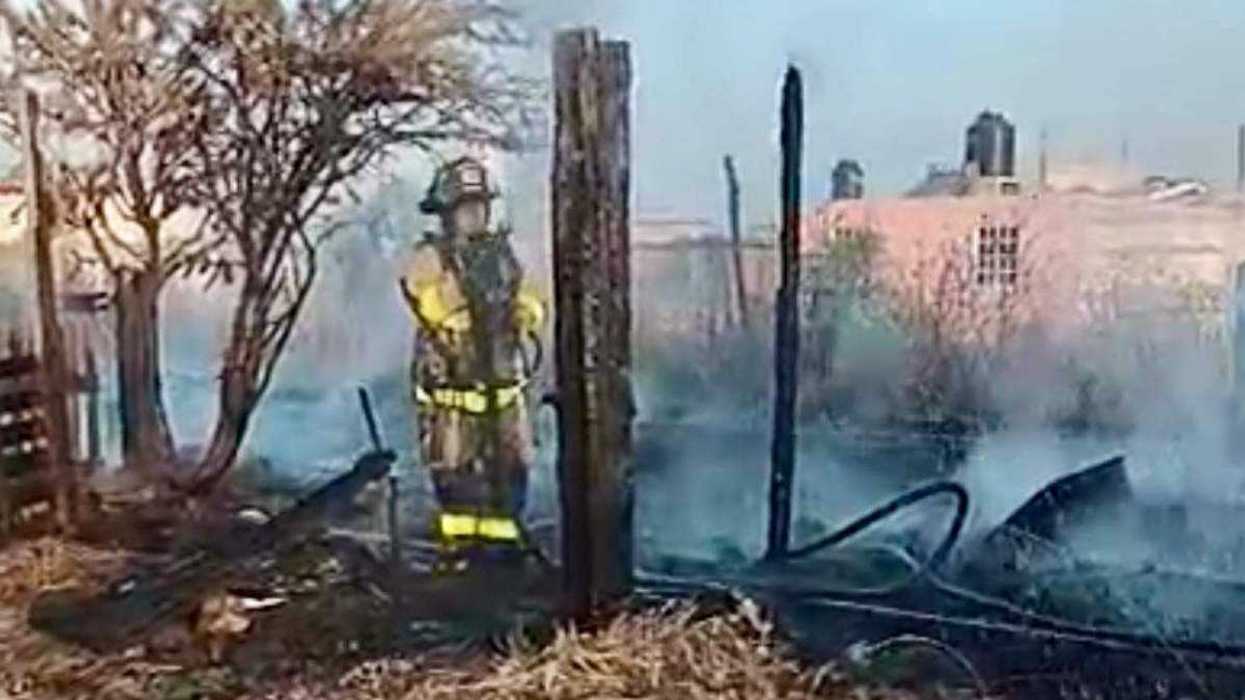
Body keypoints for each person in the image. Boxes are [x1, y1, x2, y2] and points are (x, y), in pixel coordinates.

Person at [399, 157, 545, 569]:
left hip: (503, 389)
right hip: (453, 395)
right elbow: (429, 299)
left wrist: (525, 313)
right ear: (445, 213)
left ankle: (505, 546)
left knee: (511, 470)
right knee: (456, 473)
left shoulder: (504, 256)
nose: (474, 215)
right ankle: (462, 550)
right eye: (464, 207)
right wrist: (464, 315)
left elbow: (531, 297)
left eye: (479, 205)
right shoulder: (430, 257)